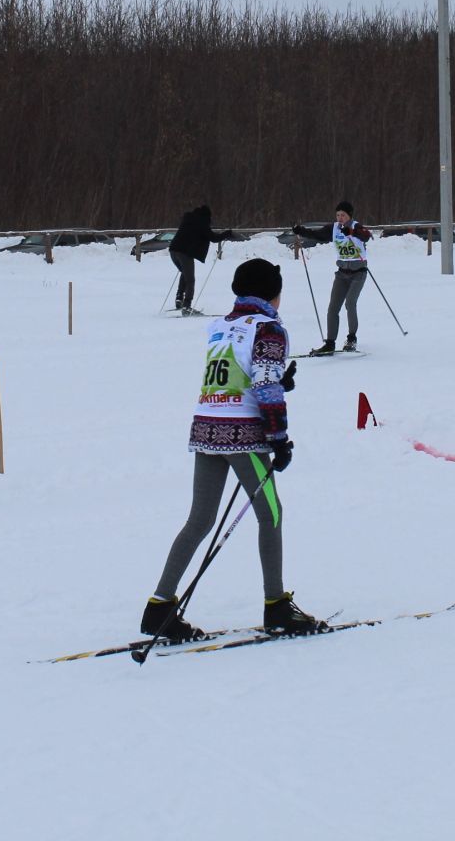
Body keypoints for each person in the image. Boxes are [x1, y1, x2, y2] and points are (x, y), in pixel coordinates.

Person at [141, 258, 326, 641]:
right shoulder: (269, 328)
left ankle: (159, 606)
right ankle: (276, 607)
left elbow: (239, 377)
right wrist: (279, 438)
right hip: (243, 434)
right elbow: (264, 387)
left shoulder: (221, 325)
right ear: (272, 294)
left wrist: (278, 381)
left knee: (199, 520)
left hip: (206, 426)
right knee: (270, 514)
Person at [291, 200, 372, 355]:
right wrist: (300, 230)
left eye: (343, 215)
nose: (340, 218)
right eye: (338, 215)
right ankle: (330, 343)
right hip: (341, 274)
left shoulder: (356, 226)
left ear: (349, 216)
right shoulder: (333, 228)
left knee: (350, 303)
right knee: (333, 308)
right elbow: (318, 235)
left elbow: (366, 236)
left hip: (358, 273)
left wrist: (351, 233)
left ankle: (351, 338)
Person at [169, 203, 231, 316]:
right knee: (190, 280)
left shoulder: (187, 219)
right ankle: (187, 306)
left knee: (184, 274)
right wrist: (227, 234)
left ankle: (179, 299)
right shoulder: (202, 222)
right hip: (184, 253)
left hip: (173, 251)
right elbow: (213, 238)